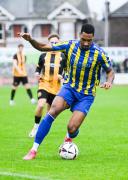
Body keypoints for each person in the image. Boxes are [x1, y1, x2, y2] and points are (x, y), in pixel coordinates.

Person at [19, 23, 115, 160]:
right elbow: (43, 47)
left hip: (86, 95)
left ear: (93, 38)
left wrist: (109, 82)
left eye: (89, 40)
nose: (86, 43)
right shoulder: (69, 45)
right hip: (69, 88)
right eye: (84, 39)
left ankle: (70, 136)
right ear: (79, 36)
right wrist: (31, 40)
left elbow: (110, 72)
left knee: (72, 128)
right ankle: (33, 150)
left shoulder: (100, 53)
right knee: (52, 110)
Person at [29, 34, 66, 138]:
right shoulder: (43, 56)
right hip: (44, 84)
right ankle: (35, 127)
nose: (54, 44)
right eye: (52, 42)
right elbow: (38, 69)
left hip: (56, 88)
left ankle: (41, 130)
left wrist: (62, 77)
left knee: (49, 113)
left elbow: (67, 72)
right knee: (40, 105)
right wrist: (37, 74)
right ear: (49, 43)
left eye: (56, 42)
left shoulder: (63, 57)